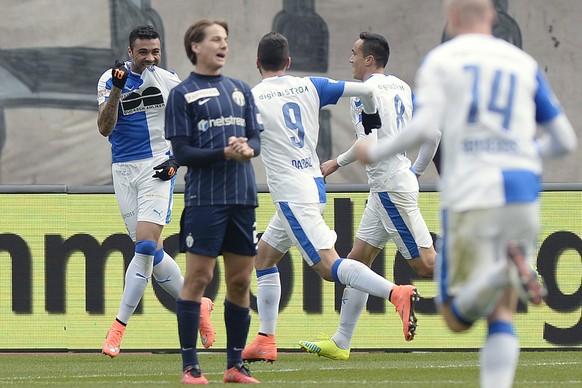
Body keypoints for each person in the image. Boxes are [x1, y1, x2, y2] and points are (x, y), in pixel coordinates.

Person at [355, 0, 577, 387]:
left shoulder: (442, 62)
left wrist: (375, 150)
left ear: (451, 17)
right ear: (492, 17)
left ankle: (495, 276)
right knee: (502, 313)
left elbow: (425, 127)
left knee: (457, 315)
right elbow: (564, 140)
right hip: (521, 189)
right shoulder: (521, 62)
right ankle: (503, 274)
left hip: (471, 191)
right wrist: (523, 155)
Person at [241, 31, 420, 365]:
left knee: (329, 267)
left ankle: (396, 293)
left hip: (293, 195)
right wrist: (371, 122)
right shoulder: (311, 84)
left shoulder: (252, 98)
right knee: (264, 259)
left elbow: (246, 141)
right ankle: (266, 339)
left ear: (257, 63)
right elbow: (367, 91)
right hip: (311, 184)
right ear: (289, 62)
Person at [298, 31, 439, 361]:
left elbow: (370, 143)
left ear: (369, 60)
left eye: (354, 54)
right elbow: (433, 134)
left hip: (390, 186)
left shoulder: (365, 93)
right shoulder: (402, 87)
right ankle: (342, 341)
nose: (350, 59)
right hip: (390, 184)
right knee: (358, 260)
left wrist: (335, 162)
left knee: (426, 265)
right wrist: (414, 170)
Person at [97, 24, 215, 358]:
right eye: (144, 52)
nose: (151, 58)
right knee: (154, 254)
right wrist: (118, 90)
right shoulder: (109, 80)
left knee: (146, 246)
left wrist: (176, 159)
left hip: (158, 168)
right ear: (131, 52)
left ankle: (118, 328)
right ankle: (198, 305)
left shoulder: (168, 80)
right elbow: (105, 129)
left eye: (156, 52)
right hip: (123, 171)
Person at [164, 19, 263, 384]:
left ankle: (234, 366)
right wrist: (224, 152)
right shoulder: (183, 93)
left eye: (225, 40)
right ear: (195, 47)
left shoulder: (240, 89)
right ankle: (190, 367)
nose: (223, 46)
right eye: (215, 40)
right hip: (205, 200)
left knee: (240, 281)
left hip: (242, 197)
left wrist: (248, 148)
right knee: (199, 277)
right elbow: (182, 151)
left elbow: (256, 137)